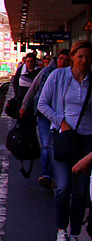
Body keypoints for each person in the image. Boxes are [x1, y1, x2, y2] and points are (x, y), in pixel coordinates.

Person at [37, 40, 92, 241]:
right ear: (72, 57)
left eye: (88, 57)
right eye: (81, 57)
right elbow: (42, 103)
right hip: (61, 138)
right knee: (62, 187)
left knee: (79, 192)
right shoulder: (58, 77)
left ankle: (75, 234)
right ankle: (62, 231)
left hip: (86, 140)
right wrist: (61, 121)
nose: (84, 61)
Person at [22, 49, 72, 188]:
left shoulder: (74, 78)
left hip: (63, 116)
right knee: (46, 144)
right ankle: (46, 175)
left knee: (59, 146)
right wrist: (24, 106)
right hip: (45, 114)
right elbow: (33, 90)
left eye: (66, 59)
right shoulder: (47, 73)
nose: (63, 62)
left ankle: (56, 175)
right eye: (61, 58)